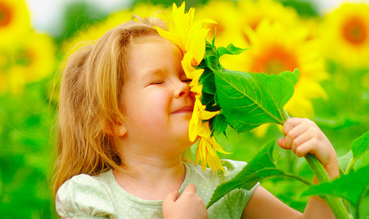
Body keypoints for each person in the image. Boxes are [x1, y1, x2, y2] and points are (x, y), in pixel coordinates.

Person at [53, 17, 339, 219]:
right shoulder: (90, 198)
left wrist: (325, 171)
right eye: (157, 81)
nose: (184, 87)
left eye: (184, 76)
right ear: (113, 119)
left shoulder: (228, 184)